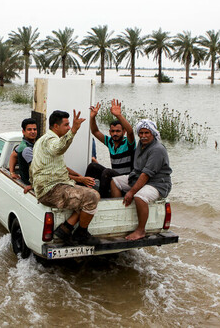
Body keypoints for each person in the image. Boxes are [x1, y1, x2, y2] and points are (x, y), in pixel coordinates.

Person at [30, 110, 101, 246]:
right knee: (93, 196)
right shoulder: (51, 140)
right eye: (66, 125)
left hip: (52, 186)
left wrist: (79, 179)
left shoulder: (40, 141)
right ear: (56, 126)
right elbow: (58, 148)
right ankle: (81, 233)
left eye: (69, 125)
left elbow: (45, 167)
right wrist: (73, 131)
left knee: (85, 192)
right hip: (51, 190)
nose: (68, 127)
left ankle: (65, 228)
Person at [110, 119, 172, 241]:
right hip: (139, 177)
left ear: (153, 134)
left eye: (147, 133)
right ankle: (117, 217)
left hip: (158, 183)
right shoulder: (141, 144)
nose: (143, 136)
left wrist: (131, 192)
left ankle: (140, 230)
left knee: (140, 197)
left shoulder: (157, 149)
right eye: (141, 133)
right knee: (114, 182)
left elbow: (146, 175)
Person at [86, 99, 136, 197]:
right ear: (109, 132)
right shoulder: (110, 142)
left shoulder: (128, 143)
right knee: (93, 166)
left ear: (123, 131)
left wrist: (118, 115)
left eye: (118, 131)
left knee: (107, 172)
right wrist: (92, 117)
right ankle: (85, 193)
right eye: (112, 131)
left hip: (126, 178)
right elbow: (95, 131)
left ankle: (102, 199)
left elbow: (131, 131)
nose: (115, 134)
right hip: (114, 175)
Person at [8, 118, 38, 193]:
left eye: (34, 129)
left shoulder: (23, 145)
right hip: (30, 183)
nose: (33, 132)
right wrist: (12, 173)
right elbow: (38, 169)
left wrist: (12, 172)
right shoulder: (26, 149)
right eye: (29, 130)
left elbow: (13, 155)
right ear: (23, 132)